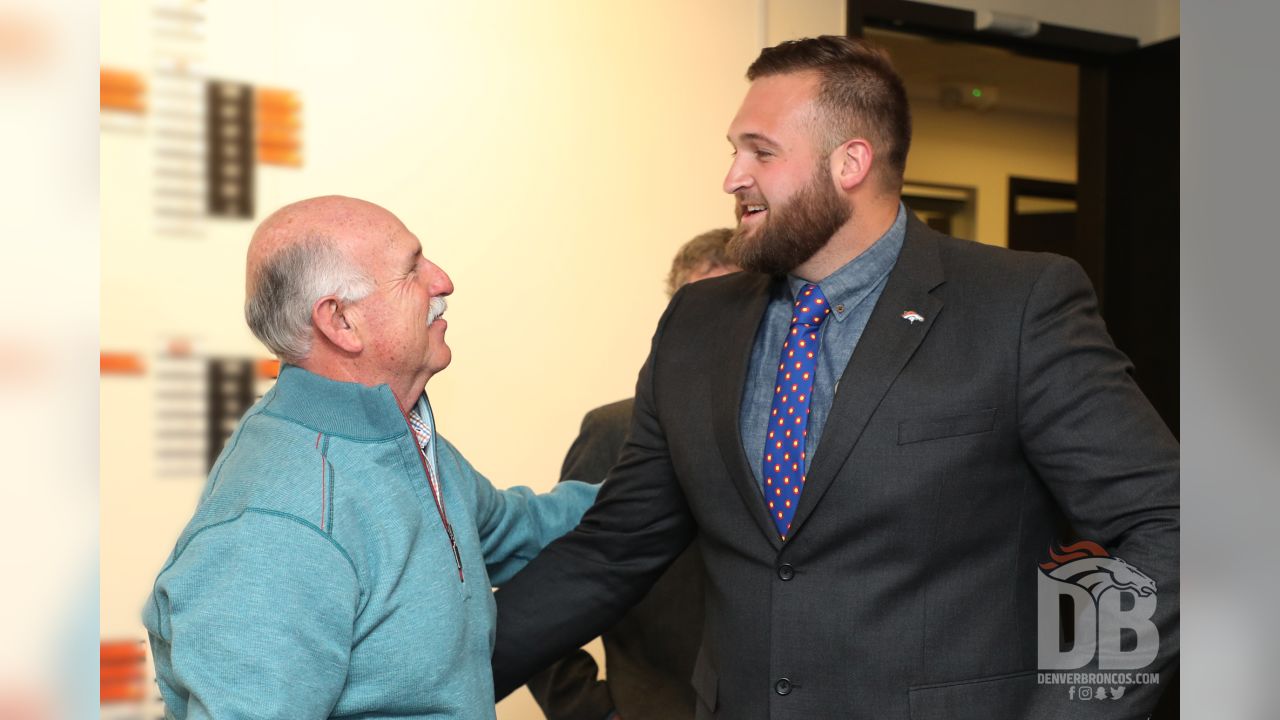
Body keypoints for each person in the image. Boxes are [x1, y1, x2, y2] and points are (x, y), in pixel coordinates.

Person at [492, 36, 1179, 719]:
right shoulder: (696, 325)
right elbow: (615, 548)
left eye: (761, 152)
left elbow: (1170, 525)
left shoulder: (1016, 305)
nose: (732, 176)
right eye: (734, 150)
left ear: (850, 162)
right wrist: (425, 668)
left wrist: (1074, 710)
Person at [141, 196, 598, 719]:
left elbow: (522, 528)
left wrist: (668, 474)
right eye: (411, 270)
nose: (443, 282)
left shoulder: (403, 444)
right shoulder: (277, 526)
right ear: (341, 322)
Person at [527, 229, 739, 720]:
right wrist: (593, 712)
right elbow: (549, 594)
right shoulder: (615, 433)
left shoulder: (804, 437)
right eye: (700, 312)